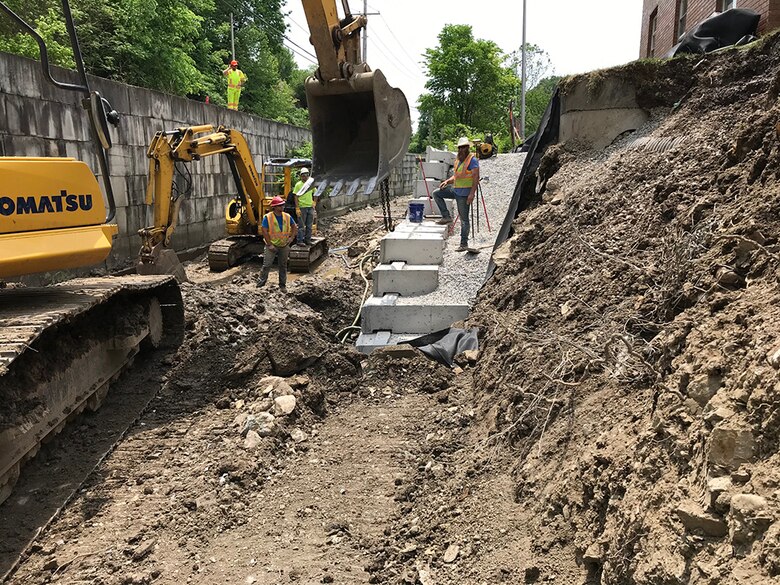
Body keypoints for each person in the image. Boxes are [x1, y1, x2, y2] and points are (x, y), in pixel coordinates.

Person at [433, 136, 480, 252]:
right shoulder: (458, 160)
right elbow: (457, 176)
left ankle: (463, 244)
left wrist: (472, 194)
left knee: (464, 220)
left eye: (464, 147)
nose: (462, 150)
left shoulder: (472, 160)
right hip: (456, 190)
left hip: (464, 194)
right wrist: (447, 181)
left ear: (468, 148)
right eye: (460, 148)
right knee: (437, 194)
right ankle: (446, 216)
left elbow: (476, 177)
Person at [258, 196, 298, 291]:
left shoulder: (287, 216)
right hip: (272, 245)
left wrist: (291, 238)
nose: (282, 207)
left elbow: (294, 226)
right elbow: (264, 231)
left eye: (282, 205)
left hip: (284, 245)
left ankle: (282, 285)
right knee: (267, 265)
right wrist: (269, 244)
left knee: (283, 266)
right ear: (274, 207)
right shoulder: (268, 217)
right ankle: (261, 282)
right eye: (280, 206)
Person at [293, 167, 318, 246]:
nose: (305, 176)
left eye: (306, 175)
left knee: (309, 226)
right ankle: (300, 241)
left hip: (310, 207)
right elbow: (296, 196)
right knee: (301, 226)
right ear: (301, 176)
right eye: (303, 175)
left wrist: (314, 202)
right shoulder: (298, 185)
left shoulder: (311, 184)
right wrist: (297, 208)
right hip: (302, 207)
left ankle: (308, 240)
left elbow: (316, 193)